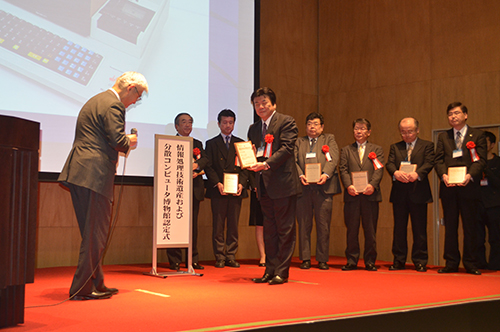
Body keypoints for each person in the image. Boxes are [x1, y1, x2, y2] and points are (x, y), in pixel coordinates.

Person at [58, 71, 148, 300]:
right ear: (130, 88)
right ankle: (82, 289)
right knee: (95, 234)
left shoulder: (97, 99)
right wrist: (131, 141)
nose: (136, 101)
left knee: (92, 233)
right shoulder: (114, 106)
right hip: (95, 175)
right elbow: (118, 140)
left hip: (80, 173)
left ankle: (96, 282)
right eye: (138, 96)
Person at [247, 87, 301, 285]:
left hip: (283, 184)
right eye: (256, 103)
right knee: (269, 230)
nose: (260, 106)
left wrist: (266, 163)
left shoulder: (286, 121)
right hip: (263, 185)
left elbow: (287, 148)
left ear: (273, 104)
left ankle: (282, 272)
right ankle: (269, 270)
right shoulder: (253, 128)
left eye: (264, 102)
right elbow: (253, 154)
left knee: (284, 230)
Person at [434, 102, 486, 275]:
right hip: (449, 187)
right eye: (450, 114)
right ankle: (451, 262)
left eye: (456, 113)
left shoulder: (477, 135)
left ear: (466, 115)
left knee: (470, 226)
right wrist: (443, 175)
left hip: (468, 187)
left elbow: (480, 160)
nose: (453, 116)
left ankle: (471, 263)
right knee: (450, 226)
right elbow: (439, 160)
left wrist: (470, 175)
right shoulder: (443, 137)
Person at [385, 117, 435, 272]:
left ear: (417, 130)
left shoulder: (427, 145)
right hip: (400, 193)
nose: (406, 135)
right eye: (403, 132)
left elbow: (429, 163)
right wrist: (395, 173)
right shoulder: (395, 147)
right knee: (399, 229)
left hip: (418, 192)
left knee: (419, 229)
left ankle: (420, 260)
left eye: (410, 131)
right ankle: (399, 260)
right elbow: (390, 163)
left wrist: (417, 174)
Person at [295, 112, 341, 270]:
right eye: (309, 124)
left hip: (324, 188)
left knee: (323, 226)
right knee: (304, 225)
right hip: (304, 189)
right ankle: (305, 258)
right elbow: (293, 160)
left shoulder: (329, 139)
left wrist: (326, 175)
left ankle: (322, 259)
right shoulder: (299, 141)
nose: (311, 127)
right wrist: (300, 174)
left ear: (322, 127)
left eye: (315, 124)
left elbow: (333, 159)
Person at [204, 109, 248, 268]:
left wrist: (242, 183)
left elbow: (245, 167)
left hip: (236, 190)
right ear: (219, 124)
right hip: (219, 190)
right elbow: (208, 167)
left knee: (233, 226)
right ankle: (220, 256)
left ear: (234, 124)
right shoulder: (211, 143)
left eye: (231, 123)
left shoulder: (241, 143)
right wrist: (218, 183)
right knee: (218, 225)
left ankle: (231, 255)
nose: (228, 126)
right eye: (224, 123)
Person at [339, 118, 384, 271]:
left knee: (370, 230)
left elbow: (379, 169)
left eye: (362, 129)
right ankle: (351, 260)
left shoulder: (376, 150)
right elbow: (343, 170)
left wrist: (372, 185)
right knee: (352, 230)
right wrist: (348, 185)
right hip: (352, 195)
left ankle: (370, 261)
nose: (358, 131)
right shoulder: (346, 150)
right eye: (356, 128)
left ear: (369, 132)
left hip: (370, 195)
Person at [167, 113, 208, 270]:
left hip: (193, 190)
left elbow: (205, 159)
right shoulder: (169, 143)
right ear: (176, 126)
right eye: (184, 122)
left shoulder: (197, 143)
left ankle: (193, 259)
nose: (187, 125)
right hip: (175, 190)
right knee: (175, 225)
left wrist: (196, 166)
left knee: (192, 227)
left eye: (190, 122)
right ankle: (175, 260)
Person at [475, 131, 500, 270]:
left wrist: (487, 171)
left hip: (494, 205)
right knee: (478, 238)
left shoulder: (498, 162)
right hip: (477, 203)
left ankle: (495, 265)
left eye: (485, 143)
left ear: (492, 145)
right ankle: (480, 265)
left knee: (495, 238)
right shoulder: (474, 164)